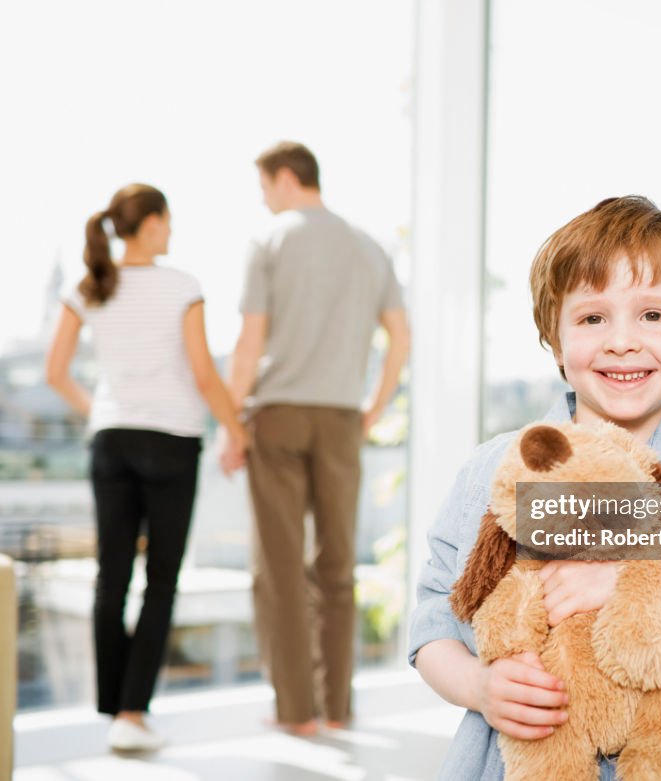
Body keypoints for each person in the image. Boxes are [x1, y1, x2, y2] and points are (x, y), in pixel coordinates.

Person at [409, 195, 661, 780]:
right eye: (593, 318)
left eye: (653, 315)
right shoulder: (494, 471)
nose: (622, 341)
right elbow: (434, 626)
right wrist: (479, 687)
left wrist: (639, 582)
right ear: (557, 345)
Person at [46, 183, 248, 751]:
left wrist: (101, 413)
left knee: (111, 578)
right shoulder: (183, 286)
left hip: (110, 439)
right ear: (154, 223)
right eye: (169, 220)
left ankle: (111, 709)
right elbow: (205, 374)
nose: (172, 231)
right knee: (160, 581)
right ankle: (132, 715)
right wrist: (236, 429)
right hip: (171, 441)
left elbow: (55, 371)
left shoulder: (90, 285)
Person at [223, 141, 410, 736]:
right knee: (336, 566)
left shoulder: (271, 240)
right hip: (340, 418)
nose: (263, 199)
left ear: (283, 179)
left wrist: (231, 422)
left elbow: (250, 344)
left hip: (277, 415)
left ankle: (295, 713)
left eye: (263, 187)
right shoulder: (368, 246)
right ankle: (337, 707)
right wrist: (373, 407)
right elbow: (399, 337)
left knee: (279, 568)